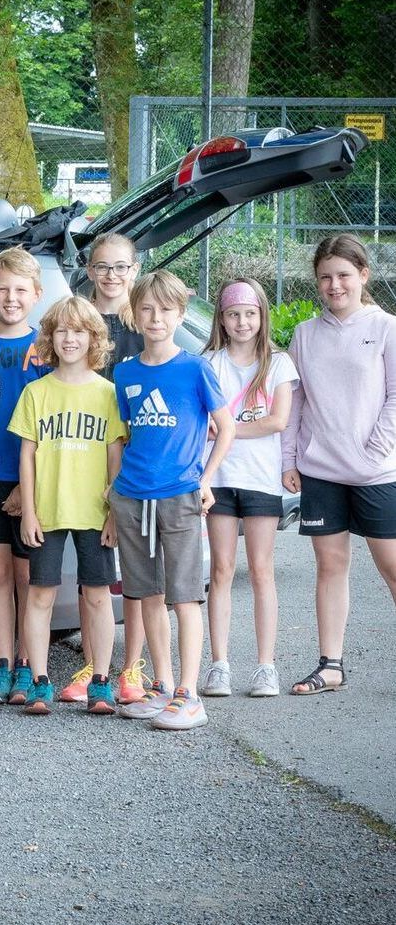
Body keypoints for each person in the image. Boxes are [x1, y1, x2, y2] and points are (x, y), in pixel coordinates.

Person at [112, 271, 235, 731]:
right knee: (146, 593)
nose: (155, 317)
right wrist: (114, 490)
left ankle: (189, 693)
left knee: (185, 597)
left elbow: (227, 427)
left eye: (165, 310)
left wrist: (204, 478)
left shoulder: (195, 368)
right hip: (131, 497)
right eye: (147, 309)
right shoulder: (124, 371)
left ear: (180, 314)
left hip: (180, 495)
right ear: (134, 313)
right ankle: (161, 687)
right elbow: (126, 434)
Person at [281, 234, 396, 696]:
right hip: (321, 473)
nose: (334, 285)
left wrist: (374, 451)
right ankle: (331, 664)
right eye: (325, 277)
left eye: (344, 275)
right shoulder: (306, 336)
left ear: (363, 275)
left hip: (377, 472)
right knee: (330, 566)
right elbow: (294, 401)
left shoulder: (387, 327)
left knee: (391, 567)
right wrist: (290, 459)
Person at [10, 297, 125, 715]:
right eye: (62, 331)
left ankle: (100, 681)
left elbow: (115, 455)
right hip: (48, 510)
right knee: (39, 595)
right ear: (50, 338)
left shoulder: (107, 394)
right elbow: (27, 455)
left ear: (94, 338)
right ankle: (40, 680)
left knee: (97, 596)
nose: (70, 339)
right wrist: (29, 511)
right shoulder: (36, 392)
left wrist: (113, 508)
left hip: (94, 512)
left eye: (79, 331)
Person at [198, 280, 297, 699]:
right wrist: (221, 433)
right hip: (219, 479)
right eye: (234, 314)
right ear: (222, 319)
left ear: (262, 317)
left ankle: (265, 666)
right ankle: (219, 664)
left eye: (250, 314)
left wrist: (226, 430)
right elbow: (201, 419)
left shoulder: (278, 363)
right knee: (220, 571)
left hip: (260, 479)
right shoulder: (209, 362)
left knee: (260, 571)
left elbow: (277, 421)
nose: (242, 322)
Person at [80, 232, 149, 705]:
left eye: (121, 267)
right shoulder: (78, 321)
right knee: (94, 574)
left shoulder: (146, 324)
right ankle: (92, 664)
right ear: (89, 271)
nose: (112, 275)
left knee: (137, 573)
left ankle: (133, 667)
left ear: (135, 270)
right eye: (103, 266)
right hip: (86, 459)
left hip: (139, 461)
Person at [0, 247, 46, 706]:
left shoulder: (45, 349)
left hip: (31, 479)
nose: (10, 298)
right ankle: (0, 664)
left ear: (36, 295)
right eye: (2, 288)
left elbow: (51, 422)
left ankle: (27, 663)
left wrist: (30, 483)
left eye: (21, 290)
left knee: (27, 577)